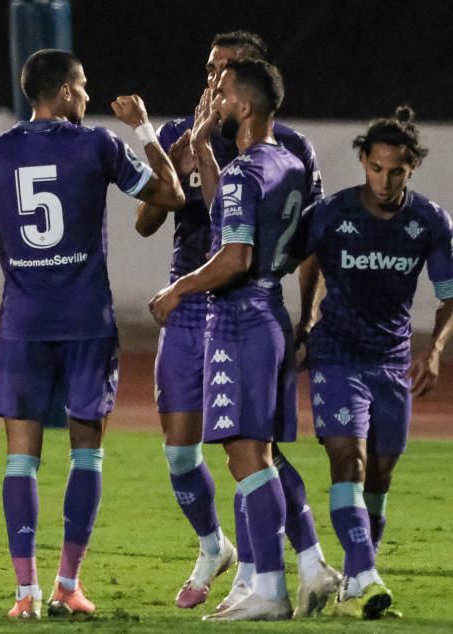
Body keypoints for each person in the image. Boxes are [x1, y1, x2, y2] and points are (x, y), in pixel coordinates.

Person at [0, 49, 185, 618]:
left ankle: (24, 595)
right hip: (87, 324)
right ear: (62, 92)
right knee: (87, 454)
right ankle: (68, 585)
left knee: (20, 459)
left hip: (23, 328)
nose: (86, 94)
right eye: (82, 86)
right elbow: (172, 195)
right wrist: (144, 129)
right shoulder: (98, 145)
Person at [136, 30, 339, 616]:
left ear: (246, 97)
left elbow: (237, 254)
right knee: (238, 450)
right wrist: (194, 147)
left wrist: (178, 288)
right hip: (257, 308)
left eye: (224, 82)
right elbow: (183, 215)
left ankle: (267, 581)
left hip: (235, 311)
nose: (213, 89)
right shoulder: (278, 159)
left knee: (249, 453)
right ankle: (253, 571)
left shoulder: (262, 161)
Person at [293, 106, 453, 618]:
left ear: (412, 168)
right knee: (349, 461)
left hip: (391, 362)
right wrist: (306, 319)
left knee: (380, 478)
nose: (384, 181)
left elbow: (451, 295)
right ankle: (367, 576)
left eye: (396, 172)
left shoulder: (429, 221)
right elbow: (307, 258)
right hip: (336, 354)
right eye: (376, 168)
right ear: (363, 160)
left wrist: (434, 351)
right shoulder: (333, 213)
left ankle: (353, 583)